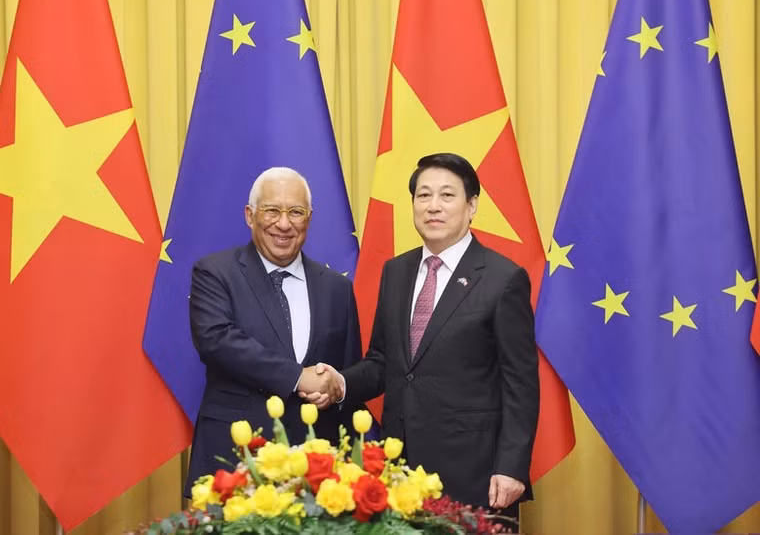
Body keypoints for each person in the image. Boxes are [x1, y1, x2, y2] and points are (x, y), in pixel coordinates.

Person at [304, 153, 539, 517]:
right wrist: (340, 382)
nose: (433, 206)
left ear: (472, 205)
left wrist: (511, 467)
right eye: (423, 195)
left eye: (447, 196)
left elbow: (520, 382)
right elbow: (384, 362)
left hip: (474, 473)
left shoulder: (502, 278)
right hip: (399, 469)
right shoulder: (396, 271)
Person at [185, 167, 360, 495]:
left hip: (319, 472)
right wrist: (299, 377)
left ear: (309, 218)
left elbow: (348, 370)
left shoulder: (337, 288)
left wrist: (335, 389)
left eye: (296, 212)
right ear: (250, 215)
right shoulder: (215, 273)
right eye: (271, 210)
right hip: (236, 462)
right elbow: (217, 341)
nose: (284, 224)